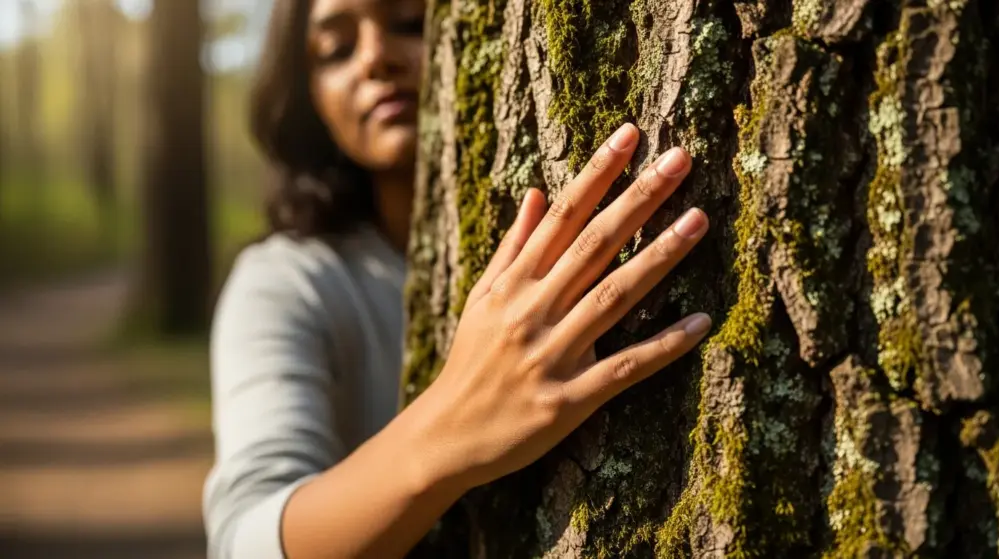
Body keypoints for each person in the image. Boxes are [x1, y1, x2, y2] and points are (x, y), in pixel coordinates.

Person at [202, 0, 712, 557]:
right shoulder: (285, 281)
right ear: (308, 98)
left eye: (408, 24)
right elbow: (245, 538)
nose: (376, 59)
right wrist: (451, 428)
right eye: (336, 49)